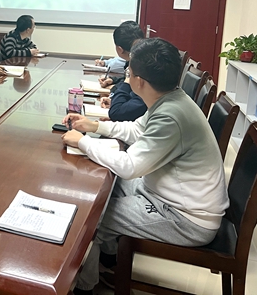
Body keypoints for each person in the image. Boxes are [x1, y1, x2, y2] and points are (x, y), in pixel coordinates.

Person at [61, 38, 229, 295]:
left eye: (129, 72)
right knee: (106, 191)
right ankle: (109, 262)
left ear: (138, 81)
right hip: (169, 196)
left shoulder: (171, 116)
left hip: (184, 218)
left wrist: (83, 142)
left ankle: (85, 288)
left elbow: (130, 166)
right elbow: (137, 130)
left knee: (91, 219)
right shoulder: (171, 98)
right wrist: (95, 126)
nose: (127, 76)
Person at [97, 22, 147, 121]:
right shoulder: (141, 61)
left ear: (119, 49)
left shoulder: (143, 70)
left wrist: (127, 80)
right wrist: (114, 84)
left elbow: (116, 112)